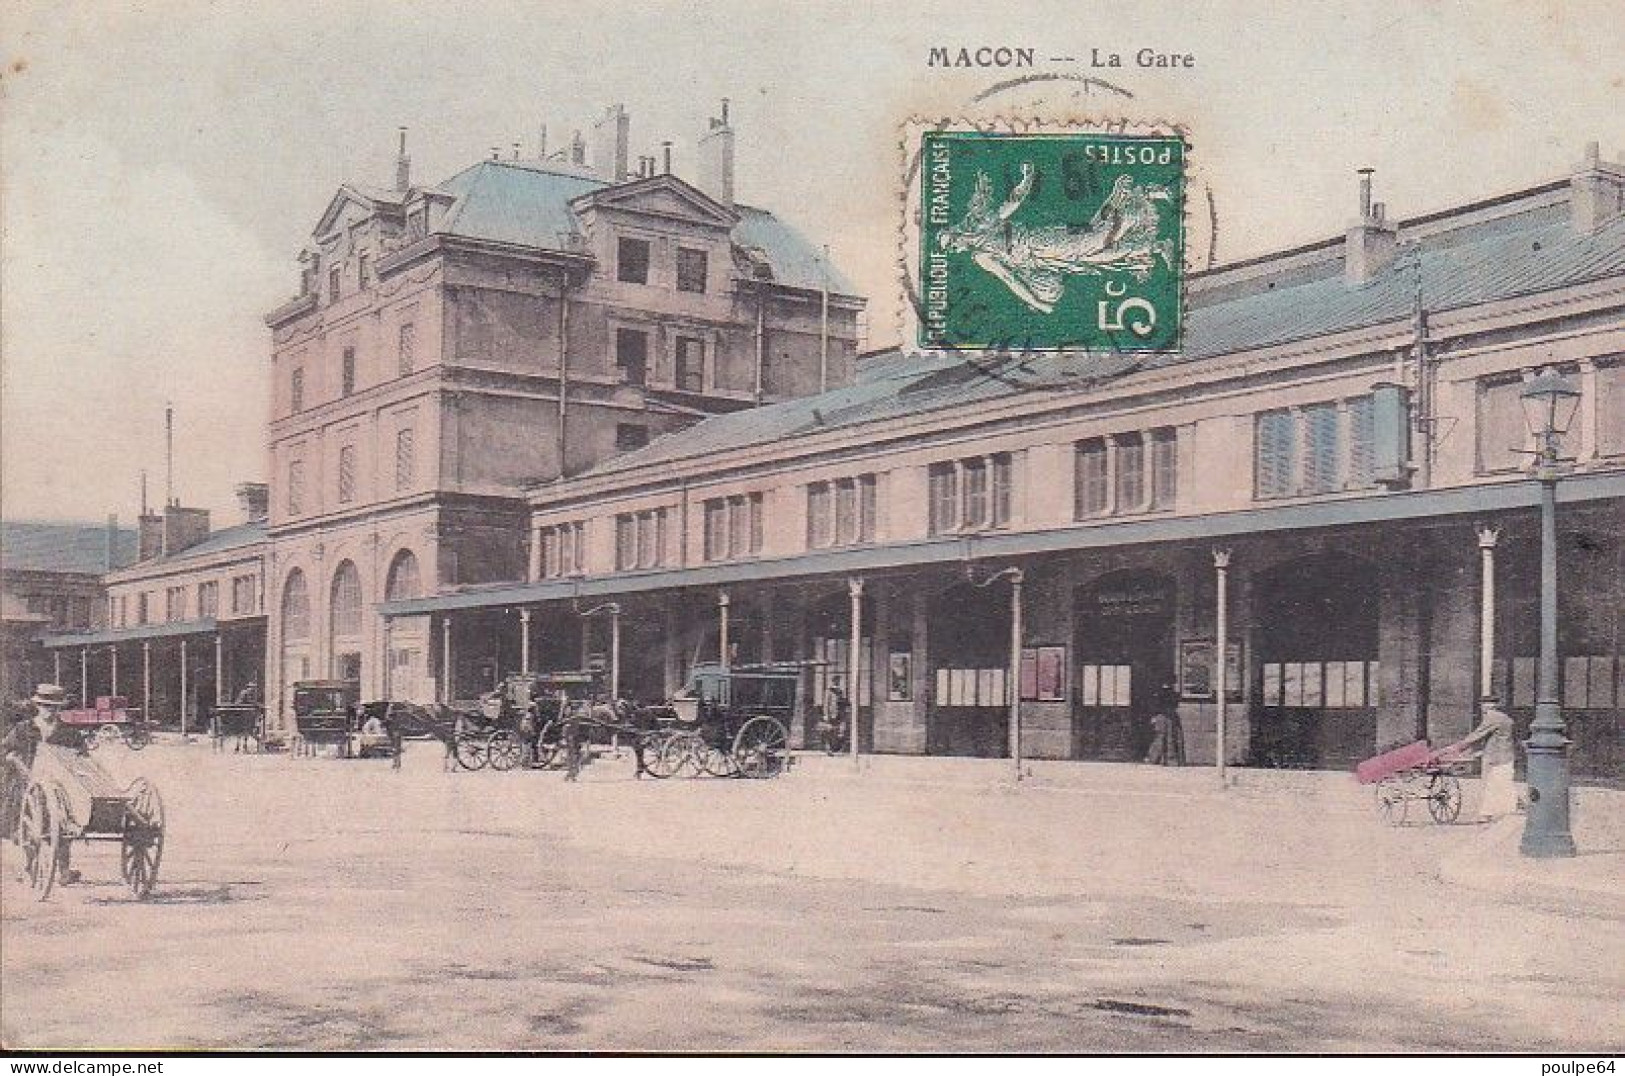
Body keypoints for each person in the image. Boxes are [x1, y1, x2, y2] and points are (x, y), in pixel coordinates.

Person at [2, 685, 83, 882]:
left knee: (65, 824)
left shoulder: (68, 731)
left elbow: (82, 754)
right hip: (26, 782)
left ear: (60, 709)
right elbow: (6, 751)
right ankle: (30, 864)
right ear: (37, 706)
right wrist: (15, 761)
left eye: (54, 707)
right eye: (46, 706)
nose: (50, 710)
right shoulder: (23, 728)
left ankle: (64, 870)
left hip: (59, 784)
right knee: (28, 826)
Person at [1460, 701, 1518, 821]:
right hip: (1506, 754)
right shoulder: (1504, 717)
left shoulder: (1492, 717)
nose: (1482, 708)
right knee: (1504, 783)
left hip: (1496, 757)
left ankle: (1487, 813)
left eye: (1483, 705)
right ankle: (1512, 808)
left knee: (1490, 784)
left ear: (1487, 706)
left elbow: (1478, 734)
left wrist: (1459, 746)